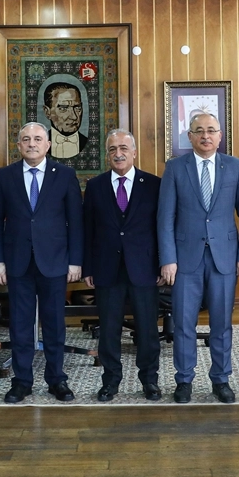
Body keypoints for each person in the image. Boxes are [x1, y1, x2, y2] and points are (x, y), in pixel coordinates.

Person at [158, 112, 239, 404]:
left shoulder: (234, 166)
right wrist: (168, 258)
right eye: (199, 130)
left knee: (222, 324)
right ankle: (184, 380)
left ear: (220, 135)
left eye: (211, 130)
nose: (205, 135)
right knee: (183, 323)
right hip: (185, 259)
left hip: (224, 258)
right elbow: (165, 217)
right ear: (189, 136)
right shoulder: (175, 167)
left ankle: (221, 380)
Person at [0, 122, 83, 403]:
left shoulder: (64, 175)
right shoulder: (5, 176)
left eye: (38, 139)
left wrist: (75, 261)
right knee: (20, 324)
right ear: (18, 145)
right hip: (17, 262)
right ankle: (22, 382)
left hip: (55, 261)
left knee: (54, 324)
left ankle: (57, 380)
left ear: (48, 145)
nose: (32, 144)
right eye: (26, 139)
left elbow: (76, 222)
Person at [82, 129, 162, 402]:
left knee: (147, 330)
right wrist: (88, 267)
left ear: (134, 152)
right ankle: (110, 381)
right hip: (107, 268)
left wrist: (162, 264)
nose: (118, 154)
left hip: (145, 268)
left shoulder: (153, 184)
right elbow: (88, 229)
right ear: (107, 155)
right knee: (109, 330)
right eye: (112, 149)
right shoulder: (95, 186)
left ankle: (149, 381)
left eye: (124, 148)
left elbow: (162, 228)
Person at [40, 78, 88, 158]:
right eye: (63, 108)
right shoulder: (39, 144)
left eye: (77, 108)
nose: (74, 116)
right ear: (47, 112)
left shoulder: (88, 143)